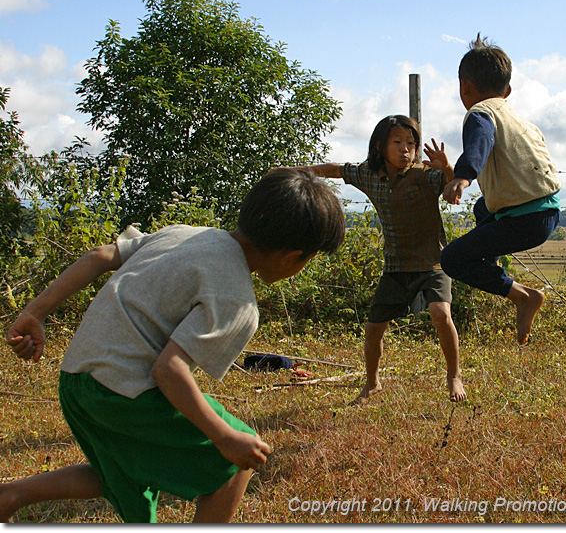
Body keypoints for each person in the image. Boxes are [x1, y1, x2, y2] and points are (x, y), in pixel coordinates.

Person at [1, 168, 345, 524]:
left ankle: (10, 495)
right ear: (293, 256)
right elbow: (168, 369)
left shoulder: (184, 234)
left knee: (122, 471)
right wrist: (224, 436)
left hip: (77, 379)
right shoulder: (236, 300)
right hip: (122, 392)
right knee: (235, 461)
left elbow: (100, 256)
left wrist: (34, 313)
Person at [285, 114, 466, 405]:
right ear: (381, 146)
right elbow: (334, 169)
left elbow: (450, 188)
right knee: (373, 330)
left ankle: (454, 375)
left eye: (411, 143)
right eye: (398, 142)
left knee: (440, 314)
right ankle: (372, 383)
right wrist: (293, 171)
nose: (406, 149)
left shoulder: (423, 174)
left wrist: (447, 168)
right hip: (395, 265)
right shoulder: (369, 174)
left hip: (433, 262)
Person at [441, 33, 561, 345]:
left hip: (523, 221)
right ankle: (492, 263)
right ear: (507, 90)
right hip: (547, 212)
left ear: (464, 87)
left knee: (452, 260)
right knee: (483, 207)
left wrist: (463, 176)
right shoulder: (520, 118)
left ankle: (523, 296)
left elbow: (480, 142)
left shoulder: (480, 114)